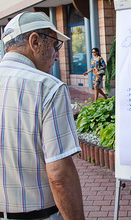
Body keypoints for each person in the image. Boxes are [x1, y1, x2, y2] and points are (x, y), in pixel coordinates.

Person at [0, 12, 85, 220]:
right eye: (55, 45)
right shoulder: (48, 87)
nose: (57, 55)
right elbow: (59, 176)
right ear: (35, 41)